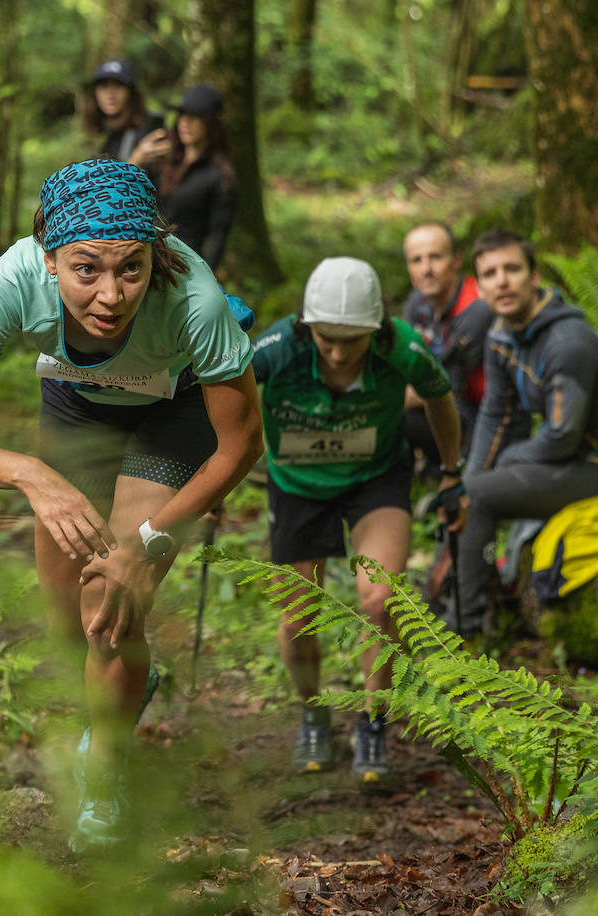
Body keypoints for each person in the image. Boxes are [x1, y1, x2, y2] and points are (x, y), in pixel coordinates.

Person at [0, 158, 263, 850]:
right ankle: (133, 678)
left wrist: (151, 542)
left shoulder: (194, 299)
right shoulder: (13, 279)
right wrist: (31, 475)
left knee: (109, 604)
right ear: (49, 260)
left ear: (155, 256)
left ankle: (103, 774)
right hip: (77, 408)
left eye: (131, 269)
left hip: (175, 409)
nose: (112, 295)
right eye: (86, 271)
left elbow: (241, 445)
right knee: (66, 618)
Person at [251, 257, 462, 779]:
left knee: (381, 598)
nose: (340, 352)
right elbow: (221, 396)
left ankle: (372, 722)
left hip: (376, 477)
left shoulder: (403, 347)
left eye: (354, 340)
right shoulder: (276, 349)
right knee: (299, 615)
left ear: (376, 330)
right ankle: (313, 713)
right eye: (327, 339)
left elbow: (440, 398)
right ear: (307, 327)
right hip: (298, 485)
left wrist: (451, 470)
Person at [451, 229, 598, 635]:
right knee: (468, 495)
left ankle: (463, 635)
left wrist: (496, 469)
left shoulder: (568, 341)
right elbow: (495, 415)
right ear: (479, 286)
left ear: (534, 276)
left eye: (512, 269)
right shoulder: (501, 334)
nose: (501, 281)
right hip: (567, 459)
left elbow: (561, 437)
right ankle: (478, 602)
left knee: (480, 498)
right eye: (489, 273)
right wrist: (467, 482)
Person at [400, 222, 492, 465]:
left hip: (476, 419)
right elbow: (401, 362)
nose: (426, 269)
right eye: (416, 260)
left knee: (393, 415)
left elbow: (446, 386)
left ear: (456, 260)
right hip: (435, 405)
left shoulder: (477, 307)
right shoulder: (417, 301)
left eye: (435, 257)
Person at [152, 85, 235, 271]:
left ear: (211, 124)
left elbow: (218, 237)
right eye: (182, 115)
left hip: (184, 268)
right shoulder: (165, 162)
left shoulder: (219, 175)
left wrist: (206, 278)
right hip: (149, 260)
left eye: (194, 117)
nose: (185, 123)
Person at [84, 59, 167, 167]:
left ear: (131, 92)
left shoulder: (148, 129)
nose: (110, 93)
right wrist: (136, 160)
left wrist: (137, 159)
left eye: (118, 85)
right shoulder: (111, 133)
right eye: (104, 86)